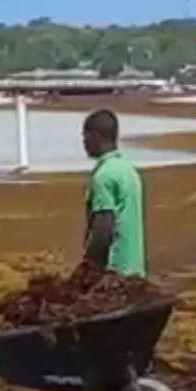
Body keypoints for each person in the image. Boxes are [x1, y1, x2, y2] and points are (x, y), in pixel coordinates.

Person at [81, 109, 146, 278]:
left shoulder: (103, 176)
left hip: (114, 269)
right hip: (135, 267)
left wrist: (89, 267)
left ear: (95, 136)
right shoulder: (127, 170)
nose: (83, 142)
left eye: (85, 136)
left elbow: (104, 227)